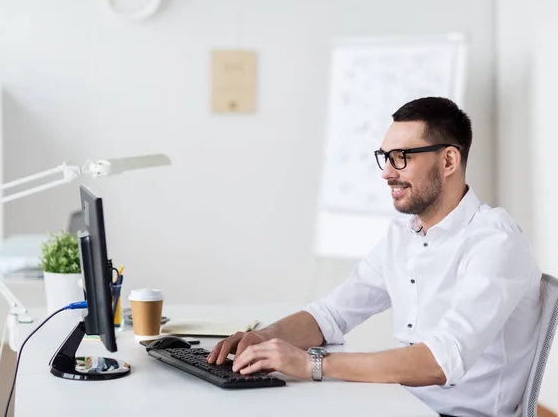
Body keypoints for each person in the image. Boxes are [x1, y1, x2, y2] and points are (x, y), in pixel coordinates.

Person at [207, 97, 542, 417]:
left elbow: (441, 361)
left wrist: (312, 365)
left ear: (449, 161)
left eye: (402, 157)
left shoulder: (495, 242)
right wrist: (265, 338)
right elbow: (332, 314)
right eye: (385, 157)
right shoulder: (403, 233)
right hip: (399, 402)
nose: (387, 173)